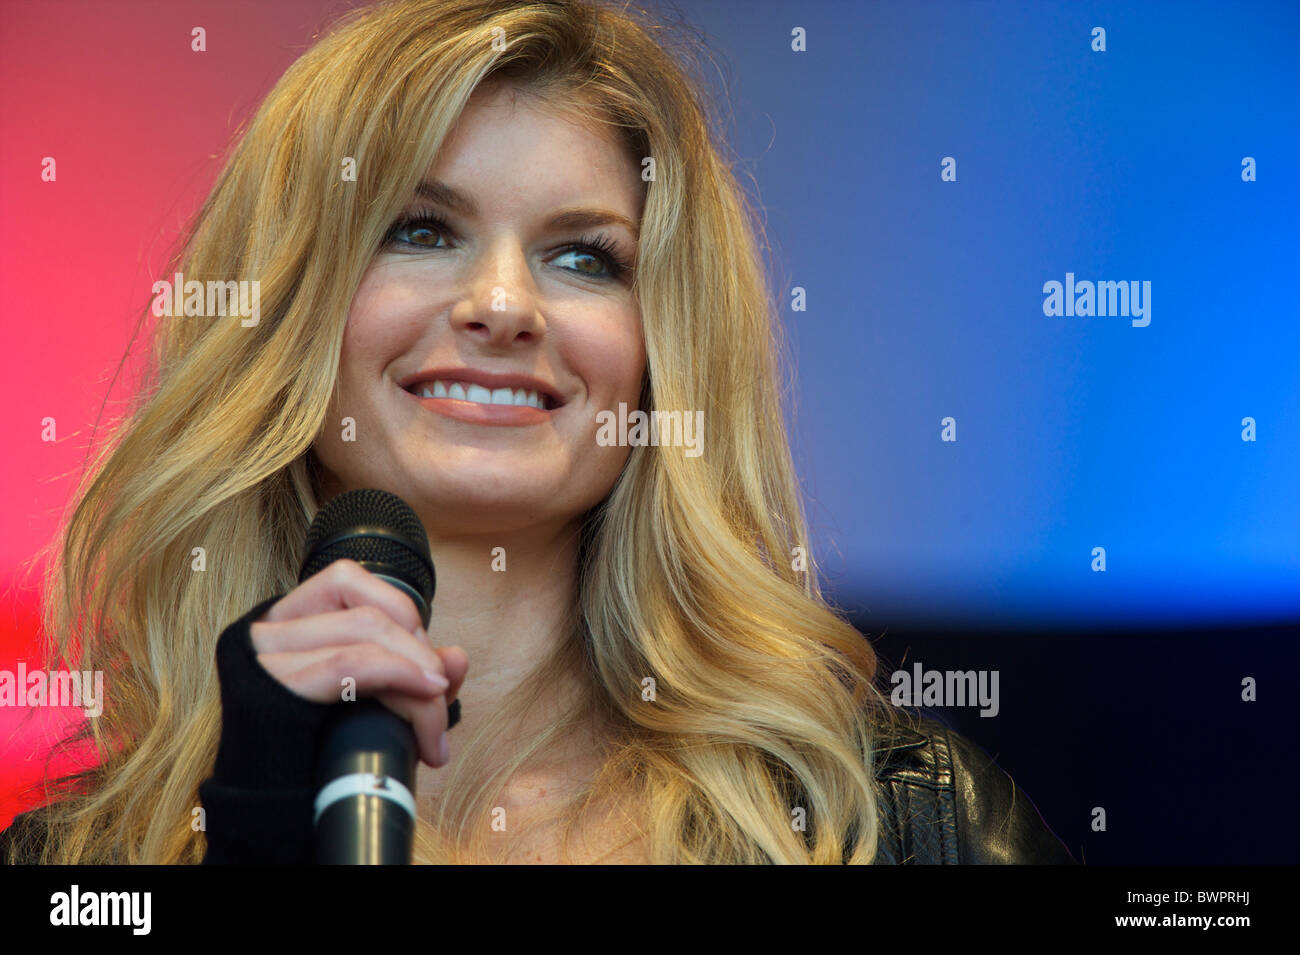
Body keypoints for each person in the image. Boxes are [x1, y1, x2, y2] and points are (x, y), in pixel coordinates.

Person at [1, 0, 1074, 865]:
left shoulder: (894, 823)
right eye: (420, 230)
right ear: (284, 318)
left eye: (584, 257)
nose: (504, 304)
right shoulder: (77, 866)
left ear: (661, 353)